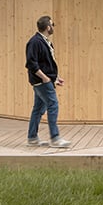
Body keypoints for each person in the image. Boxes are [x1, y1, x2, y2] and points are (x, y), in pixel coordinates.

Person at [25, 15, 70, 148]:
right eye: (52, 24)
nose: (53, 27)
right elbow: (31, 63)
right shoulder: (35, 42)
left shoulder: (45, 42)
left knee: (38, 109)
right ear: (47, 27)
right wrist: (45, 78)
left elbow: (47, 63)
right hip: (42, 82)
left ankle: (32, 138)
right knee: (53, 105)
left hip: (45, 80)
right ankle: (55, 138)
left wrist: (55, 78)